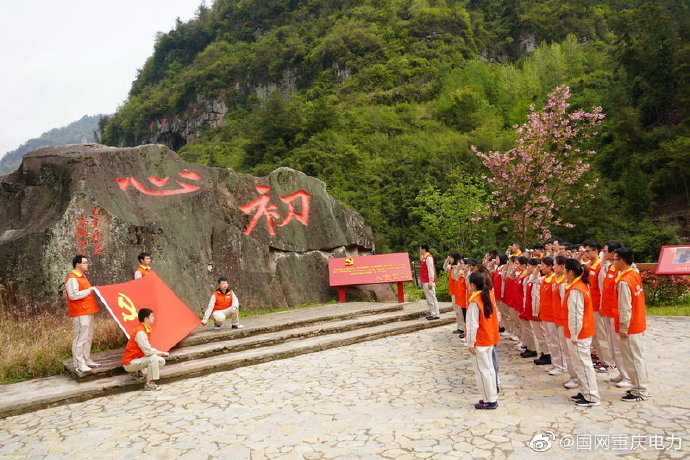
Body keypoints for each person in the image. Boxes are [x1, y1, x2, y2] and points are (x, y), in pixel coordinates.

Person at [613, 247, 650, 401]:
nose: (613, 262)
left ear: (622, 261)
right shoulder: (634, 274)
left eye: (615, 259)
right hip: (638, 322)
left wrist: (623, 327)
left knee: (633, 359)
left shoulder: (624, 281)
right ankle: (639, 386)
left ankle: (640, 391)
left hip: (630, 326)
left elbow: (625, 307)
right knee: (638, 357)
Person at [563, 258, 601, 407]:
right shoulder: (580, 284)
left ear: (570, 272)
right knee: (579, 364)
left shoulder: (576, 289)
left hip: (580, 332)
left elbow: (576, 314)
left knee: (583, 364)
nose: (564, 273)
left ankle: (591, 396)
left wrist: (574, 334)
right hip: (582, 331)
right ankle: (585, 390)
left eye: (565, 270)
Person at [465, 271, 500, 409]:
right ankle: (491, 396)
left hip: (480, 340)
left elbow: (472, 324)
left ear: (473, 285)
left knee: (482, 371)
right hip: (489, 338)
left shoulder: (475, 301)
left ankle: (489, 400)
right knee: (489, 369)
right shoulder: (488, 296)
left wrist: (470, 342)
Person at [65, 254, 101, 373]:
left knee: (88, 336)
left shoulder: (82, 276)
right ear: (77, 264)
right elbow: (73, 295)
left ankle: (86, 359)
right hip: (80, 312)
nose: (87, 264)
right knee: (80, 337)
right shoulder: (72, 278)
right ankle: (79, 363)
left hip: (88, 310)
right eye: (85, 263)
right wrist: (89, 290)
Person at [122, 308, 169, 391]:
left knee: (161, 361)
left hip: (138, 358)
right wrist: (162, 352)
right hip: (130, 362)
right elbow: (148, 351)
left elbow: (147, 349)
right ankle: (150, 384)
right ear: (146, 319)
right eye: (152, 316)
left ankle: (139, 371)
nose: (153, 318)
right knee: (153, 358)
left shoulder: (145, 328)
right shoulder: (140, 332)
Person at [419, 243, 440, 320]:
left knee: (432, 297)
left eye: (420, 249)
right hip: (425, 281)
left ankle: (436, 314)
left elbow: (431, 270)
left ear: (424, 249)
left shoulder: (429, 258)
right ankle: (432, 313)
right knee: (429, 299)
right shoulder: (424, 257)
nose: (419, 250)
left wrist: (431, 281)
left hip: (429, 281)